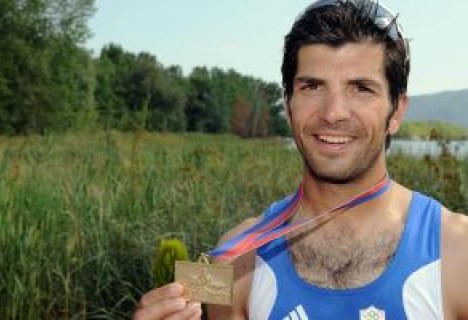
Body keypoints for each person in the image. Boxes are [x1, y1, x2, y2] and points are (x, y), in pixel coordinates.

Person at [133, 0, 468, 319]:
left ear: (396, 111)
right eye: (312, 87)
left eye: (361, 88)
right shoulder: (234, 259)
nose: (334, 112)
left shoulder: (459, 253)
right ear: (289, 103)